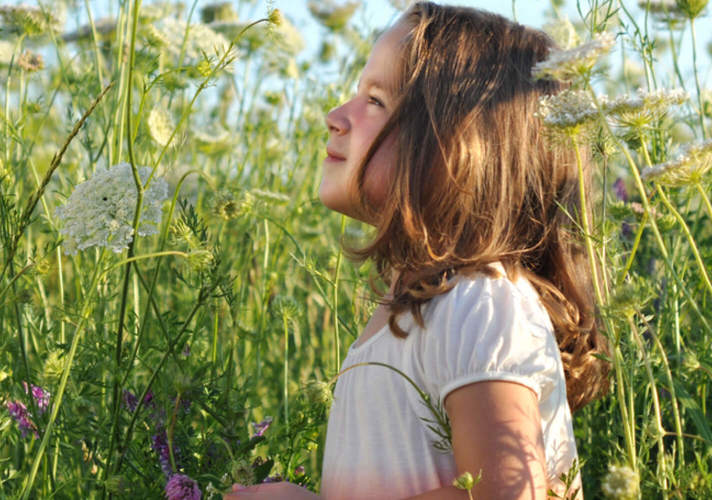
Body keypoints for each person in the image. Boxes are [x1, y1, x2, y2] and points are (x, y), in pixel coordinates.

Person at [226, 3, 611, 499]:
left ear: (458, 151)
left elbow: (510, 494)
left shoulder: (481, 304)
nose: (336, 117)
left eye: (376, 101)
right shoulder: (427, 306)